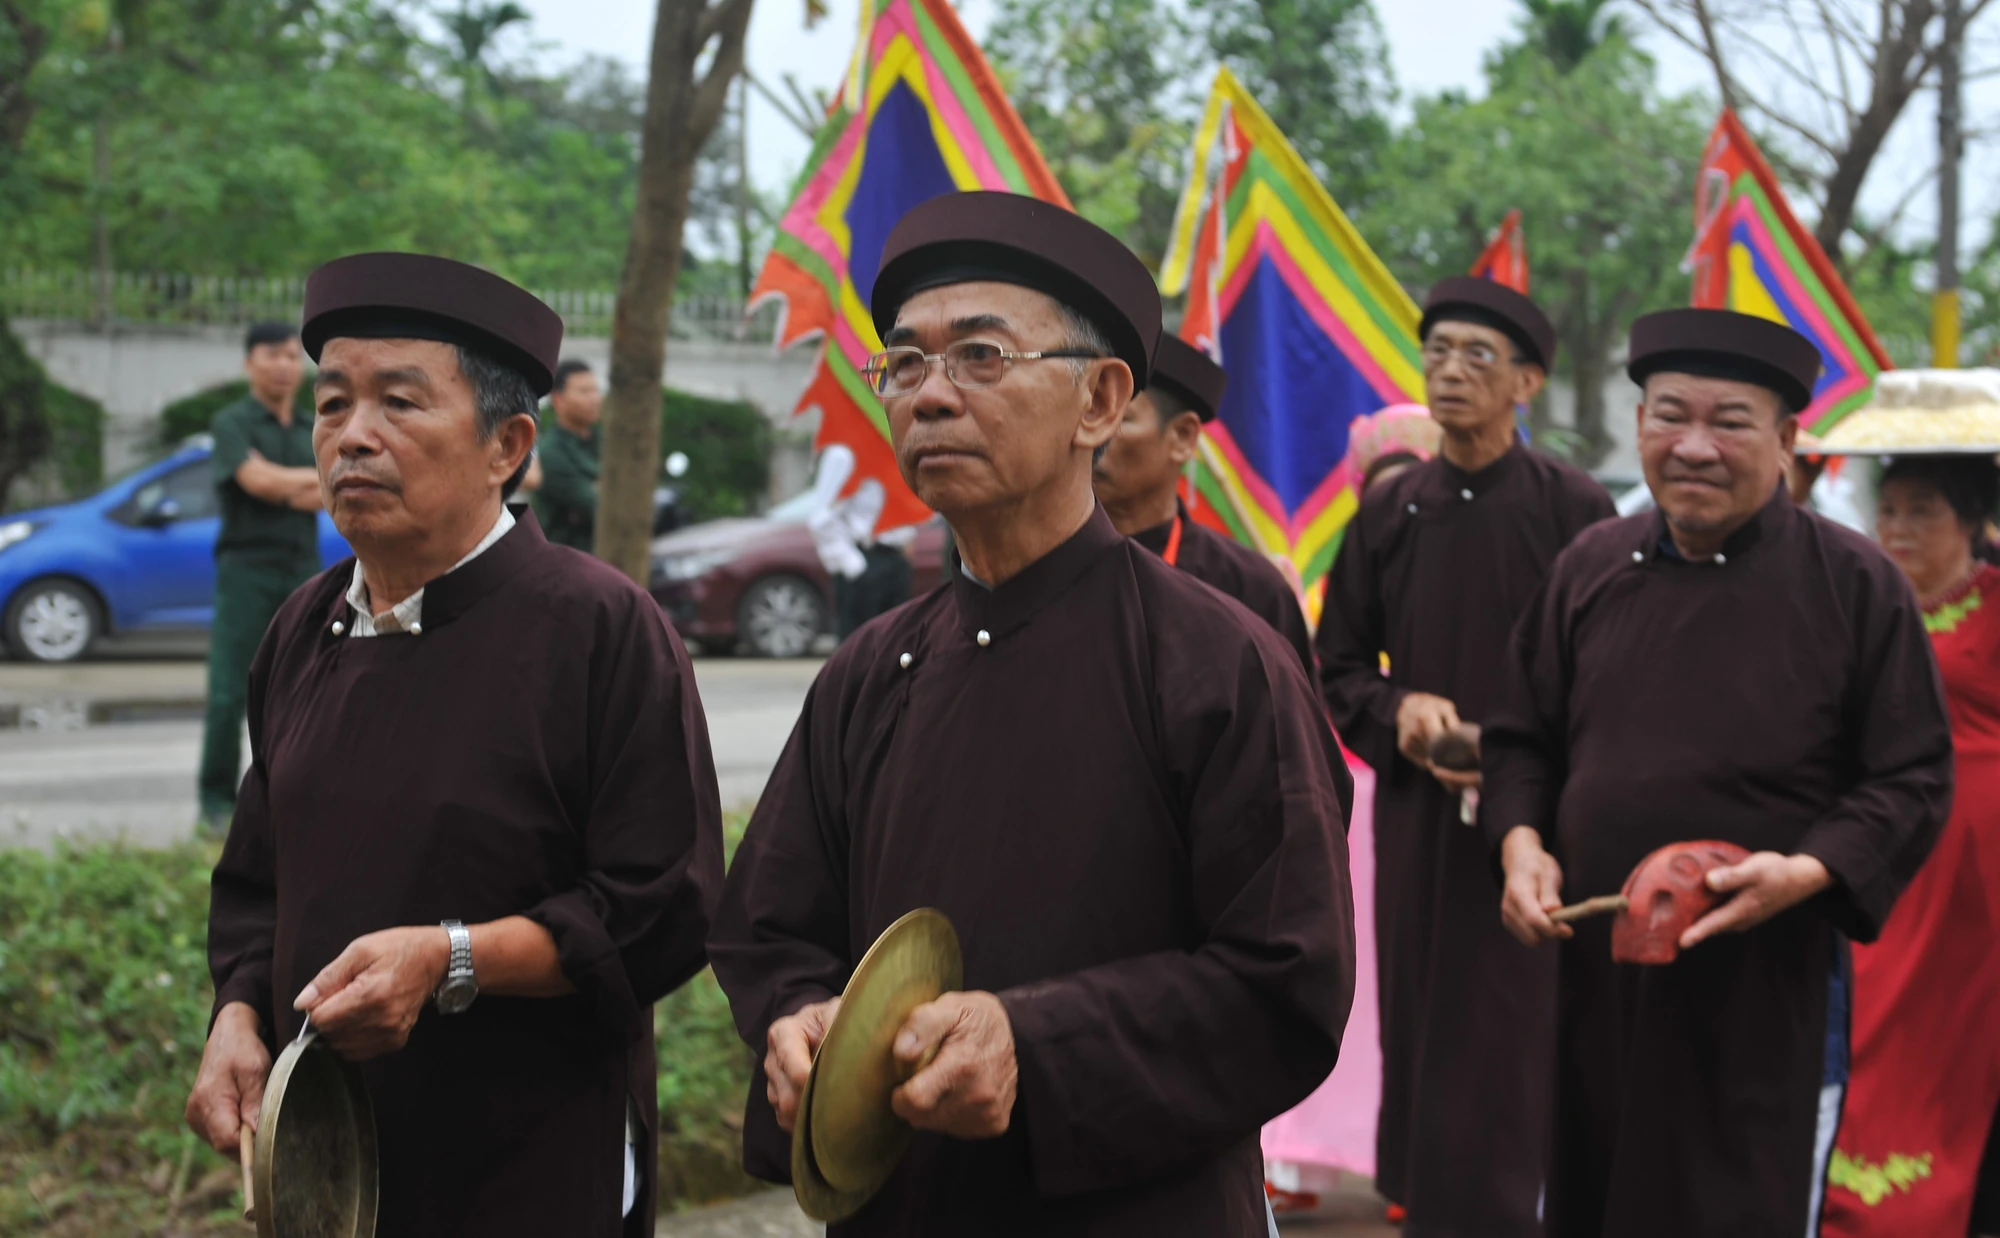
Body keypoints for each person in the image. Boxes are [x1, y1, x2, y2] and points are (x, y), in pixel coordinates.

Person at [706, 191, 1357, 1236]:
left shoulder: (1218, 661)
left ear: (1100, 400)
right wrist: (796, 1021)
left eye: (979, 356)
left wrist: (1032, 1044)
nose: (927, 395)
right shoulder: (871, 670)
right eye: (903, 364)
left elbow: (1285, 978)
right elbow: (770, 927)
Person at [184, 253, 724, 1238]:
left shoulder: (600, 629)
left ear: (506, 445)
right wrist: (235, 1017)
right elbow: (259, 880)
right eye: (333, 403)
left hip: (526, 1159)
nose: (353, 435)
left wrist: (451, 958)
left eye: (398, 402)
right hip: (328, 1172)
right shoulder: (303, 629)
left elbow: (663, 905)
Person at [1483, 308, 1955, 1238]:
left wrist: (1810, 872)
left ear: (1786, 440)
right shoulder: (1590, 566)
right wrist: (1522, 845)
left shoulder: (1856, 586)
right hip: (1597, 982)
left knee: (1738, 1205)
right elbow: (1521, 738)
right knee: (1594, 1190)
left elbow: (1910, 777)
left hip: (1762, 986)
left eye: (1730, 422)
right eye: (1669, 415)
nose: (1693, 446)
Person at [1313, 276, 1613, 1235]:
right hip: (1420, 818)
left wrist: (1524, 743)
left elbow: (1610, 663)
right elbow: (1340, 665)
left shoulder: (1574, 507)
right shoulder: (1394, 511)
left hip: (1543, 817)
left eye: (1476, 356)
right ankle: (1427, 1206)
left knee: (1520, 1024)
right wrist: (1399, 711)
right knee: (1425, 1017)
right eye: (1437, 351)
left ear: (1526, 381)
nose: (1449, 372)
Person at [1821, 454, 2000, 1238]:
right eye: (1888, 508)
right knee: (1873, 1012)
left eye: (1921, 509)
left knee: (1956, 1029)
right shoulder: (1861, 604)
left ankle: (1934, 1200)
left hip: (1978, 864)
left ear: (1969, 520)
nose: (1896, 527)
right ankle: (1851, 1188)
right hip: (1885, 846)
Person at [1092, 332, 1315, 676]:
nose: (1092, 433)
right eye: (1089, 409)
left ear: (1182, 437)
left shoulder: (1251, 588)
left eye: (1121, 417)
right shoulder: (1038, 564)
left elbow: (1288, 723)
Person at [196, 321, 321, 829]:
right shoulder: (232, 423)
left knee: (305, 689)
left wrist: (283, 480)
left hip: (303, 569)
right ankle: (216, 804)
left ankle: (292, 800)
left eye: (292, 356)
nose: (284, 365)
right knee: (230, 689)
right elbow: (255, 482)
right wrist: (306, 483)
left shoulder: (314, 424)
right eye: (272, 355)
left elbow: (331, 491)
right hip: (246, 570)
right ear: (249, 363)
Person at [805, 444, 914, 641]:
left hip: (894, 560)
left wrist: (905, 541)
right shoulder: (844, 453)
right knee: (860, 651)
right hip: (864, 562)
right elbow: (822, 518)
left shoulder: (891, 448)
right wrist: (854, 566)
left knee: (897, 648)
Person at [532, 357, 601, 550]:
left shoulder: (603, 442)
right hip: (573, 558)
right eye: (584, 391)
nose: (594, 398)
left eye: (595, 390)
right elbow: (600, 509)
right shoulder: (552, 453)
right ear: (558, 399)